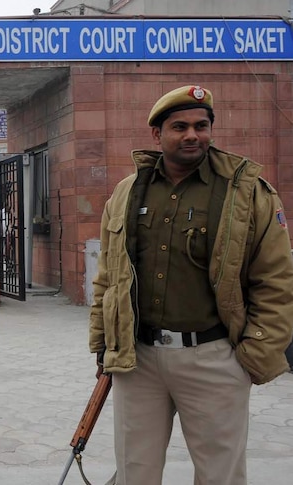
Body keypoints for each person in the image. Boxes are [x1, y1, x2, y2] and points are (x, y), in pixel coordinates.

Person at [90, 85, 293, 485]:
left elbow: (276, 278)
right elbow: (108, 275)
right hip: (139, 361)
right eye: (179, 126)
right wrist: (104, 343)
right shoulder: (128, 192)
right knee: (135, 473)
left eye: (201, 126)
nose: (192, 135)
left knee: (221, 475)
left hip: (214, 357)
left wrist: (252, 355)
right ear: (157, 134)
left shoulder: (246, 191)